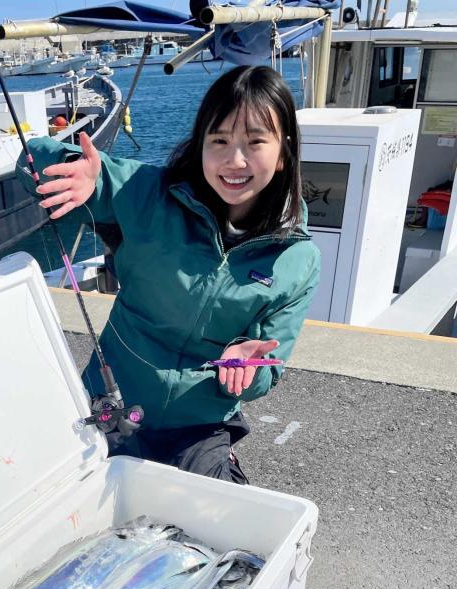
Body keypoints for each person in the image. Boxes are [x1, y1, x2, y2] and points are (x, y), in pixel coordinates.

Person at [20, 65, 321, 483]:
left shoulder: (297, 258)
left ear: (284, 152)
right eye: (219, 141)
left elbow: (271, 366)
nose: (235, 160)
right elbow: (29, 160)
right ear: (200, 144)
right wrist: (74, 168)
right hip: (111, 401)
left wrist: (245, 370)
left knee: (221, 524)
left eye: (255, 143)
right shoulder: (149, 193)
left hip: (196, 428)